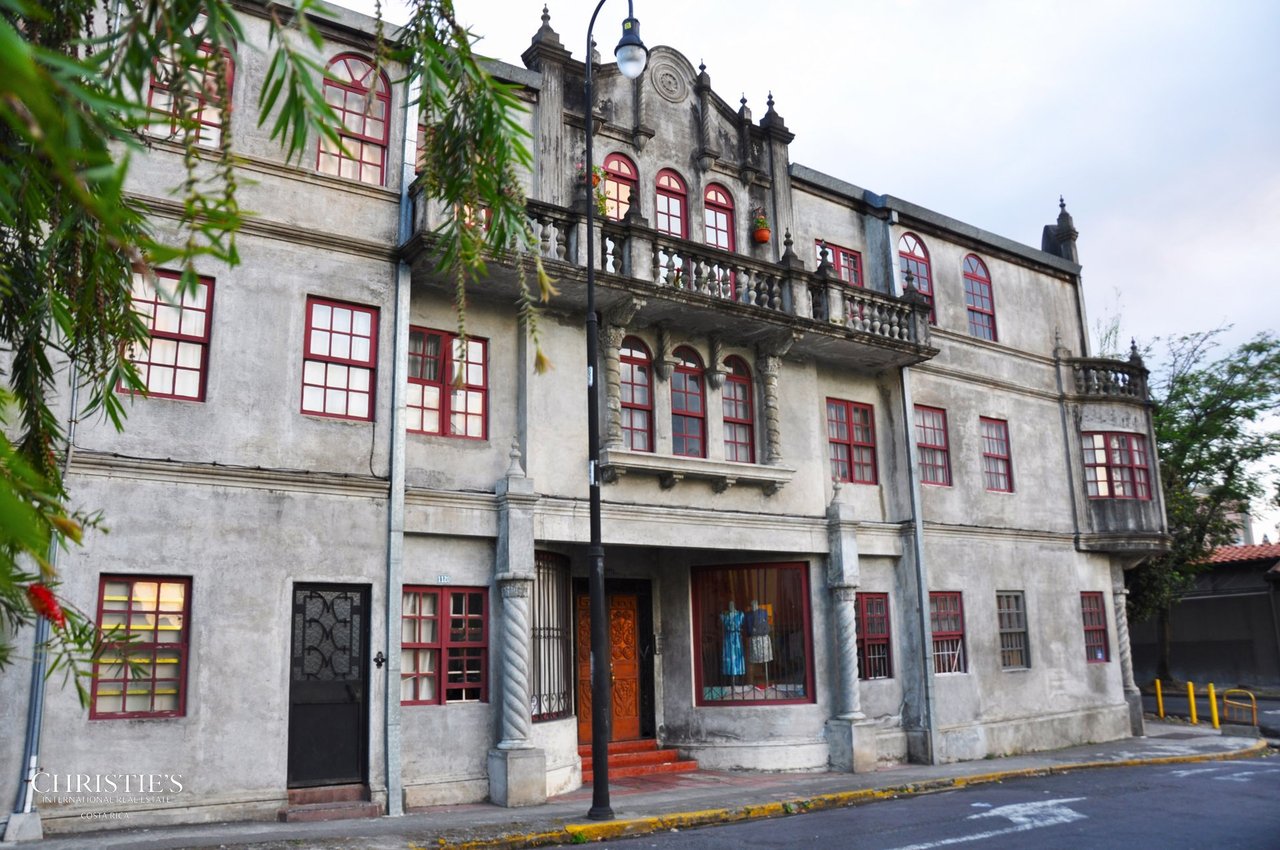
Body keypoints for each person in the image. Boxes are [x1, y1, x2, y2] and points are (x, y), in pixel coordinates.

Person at [721, 601, 745, 676]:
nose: (730, 606)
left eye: (732, 604)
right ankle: (730, 678)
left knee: (737, 655)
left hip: (737, 639)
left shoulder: (740, 615)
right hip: (728, 639)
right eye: (729, 605)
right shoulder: (724, 615)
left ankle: (737, 677)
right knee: (729, 657)